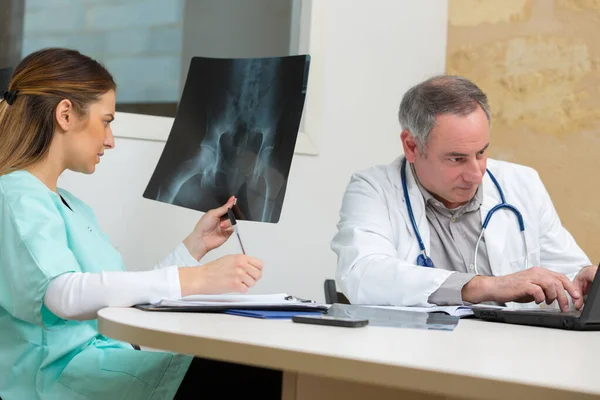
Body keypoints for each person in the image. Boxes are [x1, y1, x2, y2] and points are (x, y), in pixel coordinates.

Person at [0, 48, 281, 400]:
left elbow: (122, 296)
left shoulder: (71, 206)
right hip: (54, 382)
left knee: (257, 368)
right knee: (250, 374)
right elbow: (63, 295)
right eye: (106, 121)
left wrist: (194, 247)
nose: (110, 140)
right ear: (66, 115)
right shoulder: (15, 194)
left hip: (97, 368)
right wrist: (197, 279)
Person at [331, 75, 597, 311]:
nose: (476, 173)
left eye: (481, 153)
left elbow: (565, 268)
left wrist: (581, 279)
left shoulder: (522, 183)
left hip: (512, 353)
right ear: (412, 146)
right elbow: (362, 273)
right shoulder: (373, 190)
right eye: (456, 159)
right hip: (419, 353)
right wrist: (483, 286)